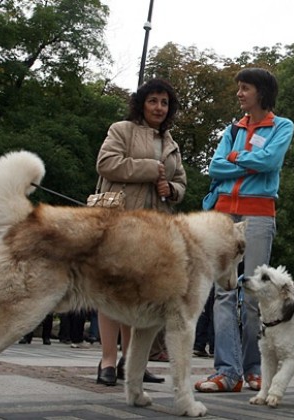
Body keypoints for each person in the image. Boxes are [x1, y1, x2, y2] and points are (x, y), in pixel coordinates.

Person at [194, 67, 294, 393]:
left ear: (261, 92)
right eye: (239, 88)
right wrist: (249, 158)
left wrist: (237, 158)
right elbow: (215, 165)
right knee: (223, 293)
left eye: (245, 88)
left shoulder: (282, 126)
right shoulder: (232, 129)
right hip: (223, 214)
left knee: (254, 294)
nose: (239, 93)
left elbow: (271, 162)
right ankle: (227, 372)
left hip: (258, 214)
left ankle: (255, 368)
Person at [95, 78, 186, 386]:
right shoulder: (121, 130)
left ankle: (131, 362)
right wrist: (149, 169)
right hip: (119, 221)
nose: (159, 107)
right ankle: (108, 361)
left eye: (164, 102)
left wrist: (171, 189)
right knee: (109, 290)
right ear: (141, 103)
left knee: (138, 296)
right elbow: (106, 164)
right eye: (153, 101)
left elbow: (182, 183)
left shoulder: (171, 141)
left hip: (154, 227)